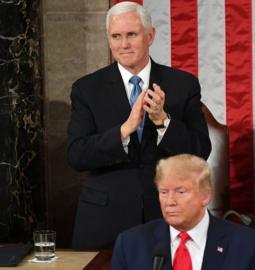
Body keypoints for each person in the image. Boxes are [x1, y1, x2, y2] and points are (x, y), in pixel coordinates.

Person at [67, 1, 211, 249]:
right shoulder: (86, 89)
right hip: (103, 220)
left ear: (150, 36)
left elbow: (200, 151)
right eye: (116, 36)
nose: (123, 45)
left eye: (131, 35)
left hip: (166, 216)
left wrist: (163, 121)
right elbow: (77, 154)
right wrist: (124, 131)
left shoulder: (183, 84)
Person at [111, 154, 255, 270]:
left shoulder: (248, 245)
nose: (170, 202)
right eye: (164, 192)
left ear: (205, 195)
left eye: (180, 192)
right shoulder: (130, 245)